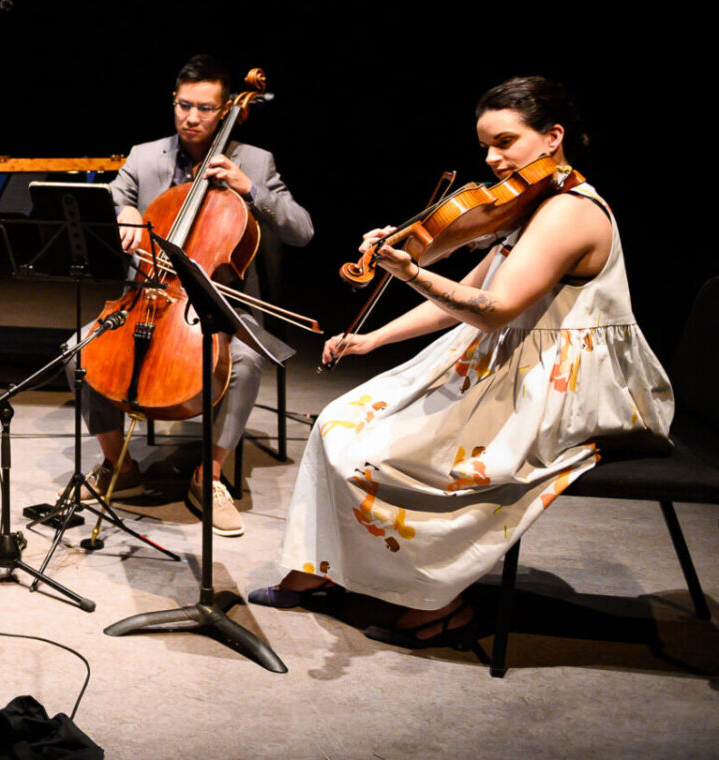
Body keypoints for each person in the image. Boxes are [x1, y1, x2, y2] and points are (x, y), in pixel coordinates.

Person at [251, 76, 674, 648]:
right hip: (506, 360)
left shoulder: (571, 213)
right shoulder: (530, 206)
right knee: (339, 423)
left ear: (552, 137)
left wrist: (413, 271)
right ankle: (323, 564)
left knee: (388, 454)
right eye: (486, 147)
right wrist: (373, 338)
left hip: (562, 381)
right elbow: (461, 302)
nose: (493, 160)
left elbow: (493, 310)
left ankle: (444, 602)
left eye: (505, 143)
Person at [78, 55, 313, 536]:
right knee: (78, 350)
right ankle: (118, 469)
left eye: (205, 108)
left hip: (220, 308)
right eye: (184, 105)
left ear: (226, 110)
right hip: (149, 297)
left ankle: (210, 476)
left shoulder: (255, 161)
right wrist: (122, 211)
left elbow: (302, 230)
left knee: (244, 362)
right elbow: (114, 194)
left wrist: (251, 191)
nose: (191, 117)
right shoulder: (145, 156)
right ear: (174, 101)